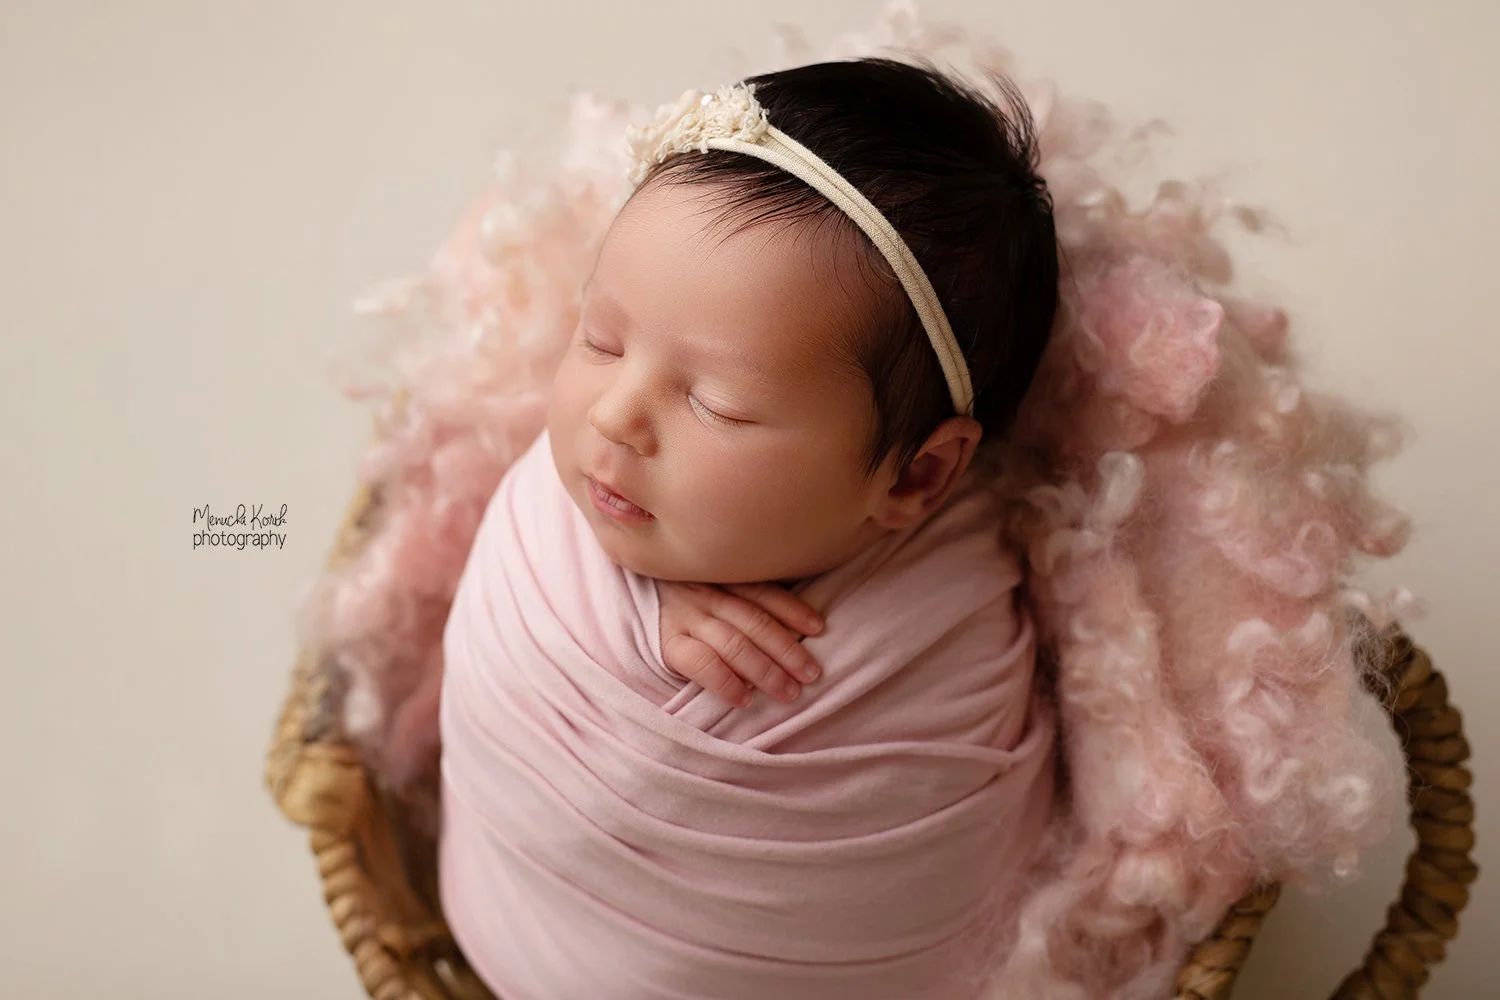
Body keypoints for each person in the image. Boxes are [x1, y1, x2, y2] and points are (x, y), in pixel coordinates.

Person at [437, 57, 1063, 1000]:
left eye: (720, 405)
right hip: (508, 923)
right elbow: (518, 583)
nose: (613, 414)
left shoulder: (951, 634)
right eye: (601, 338)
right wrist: (633, 603)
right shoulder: (574, 499)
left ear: (919, 474)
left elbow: (946, 881)